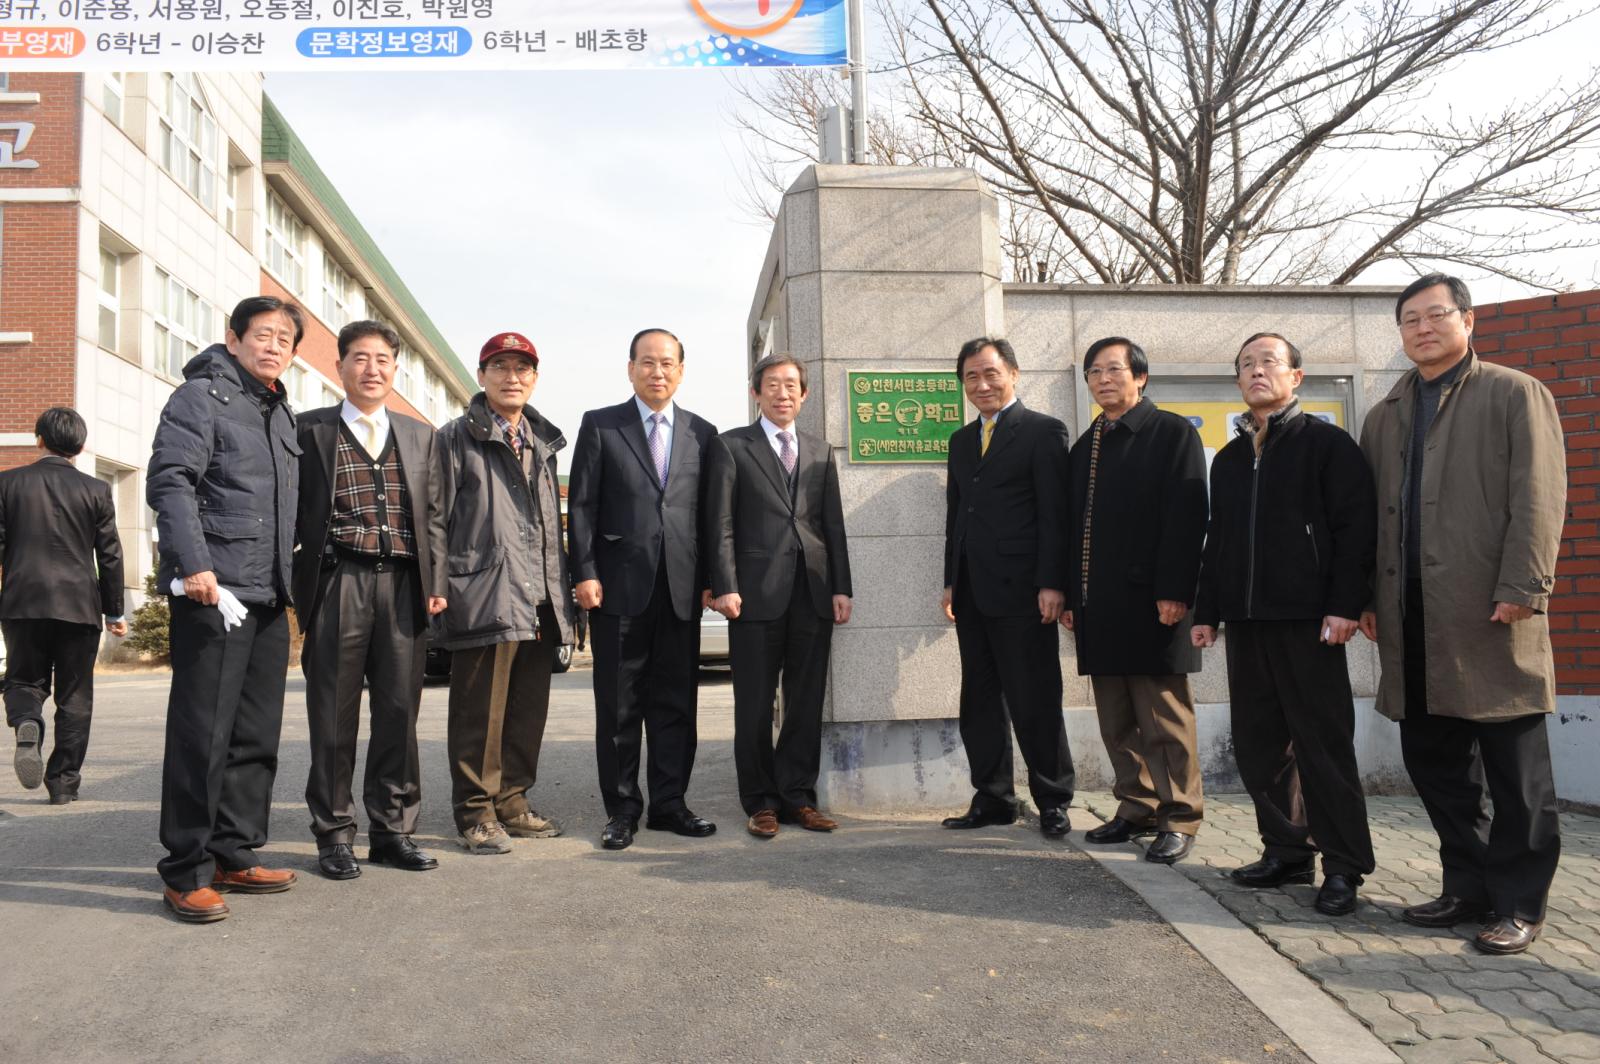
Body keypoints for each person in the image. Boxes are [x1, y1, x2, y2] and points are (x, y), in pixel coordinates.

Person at [1359, 273, 1566, 955]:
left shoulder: (1512, 392)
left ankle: (1519, 904)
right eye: (1409, 319)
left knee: (1516, 773)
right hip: (1411, 614)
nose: (1422, 328)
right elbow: (1368, 519)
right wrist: (1367, 597)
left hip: (1490, 609)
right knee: (1436, 762)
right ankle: (1466, 887)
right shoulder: (1386, 412)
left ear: (1467, 321)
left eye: (1436, 314)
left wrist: (1524, 585)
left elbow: (1539, 497)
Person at [1192, 332, 1377, 917]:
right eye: (1245, 364)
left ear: (1296, 376)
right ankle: (1285, 850)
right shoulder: (1228, 458)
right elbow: (1217, 540)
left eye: (1268, 362)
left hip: (1310, 622)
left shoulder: (1326, 444)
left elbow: (1355, 532)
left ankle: (1343, 865)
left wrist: (1346, 605)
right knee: (1259, 745)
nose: (1256, 371)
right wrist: (1207, 611)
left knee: (1322, 746)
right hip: (1248, 623)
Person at [147, 295, 304, 923]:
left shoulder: (278, 412)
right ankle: (185, 870)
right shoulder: (199, 399)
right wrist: (193, 564)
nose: (273, 346)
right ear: (233, 338)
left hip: (267, 595)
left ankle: (233, 851)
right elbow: (171, 481)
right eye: (262, 335)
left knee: (254, 734)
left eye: (284, 340)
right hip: (218, 591)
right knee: (201, 734)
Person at [293, 320, 448, 880]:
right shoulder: (309, 430)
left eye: (382, 359)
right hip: (340, 581)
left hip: (405, 586)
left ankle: (392, 831)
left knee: (399, 715)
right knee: (333, 715)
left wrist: (437, 584)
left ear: (395, 368)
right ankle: (334, 833)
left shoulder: (419, 435)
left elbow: (433, 516)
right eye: (360, 358)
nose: (372, 369)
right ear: (340, 367)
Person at [568, 328, 719, 851]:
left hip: (681, 589)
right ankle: (623, 809)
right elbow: (582, 505)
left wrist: (714, 582)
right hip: (617, 587)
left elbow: (710, 515)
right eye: (648, 363)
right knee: (619, 706)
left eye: (668, 363)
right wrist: (583, 572)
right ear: (630, 368)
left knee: (676, 704)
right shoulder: (601, 425)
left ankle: (671, 805)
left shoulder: (704, 432)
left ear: (681, 370)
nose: (658, 372)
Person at [1066, 338, 1208, 863]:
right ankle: (1135, 805)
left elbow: (1188, 515)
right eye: (1094, 372)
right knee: (1118, 716)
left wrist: (1175, 589)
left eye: (1115, 369)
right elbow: (1073, 528)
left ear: (1140, 377)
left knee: (1164, 716)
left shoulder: (1171, 433)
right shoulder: (1088, 444)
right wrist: (1071, 597)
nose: (1104, 379)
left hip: (1155, 602)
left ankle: (1180, 816)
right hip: (1100, 604)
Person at [436, 332, 576, 854]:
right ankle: (475, 811)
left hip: (539, 595)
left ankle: (513, 801)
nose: (511, 377)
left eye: (522, 368)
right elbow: (435, 520)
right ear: (481, 375)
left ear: (535, 379)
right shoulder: (455, 438)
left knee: (526, 708)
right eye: (500, 367)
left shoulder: (543, 443)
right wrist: (441, 587)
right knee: (478, 712)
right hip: (484, 592)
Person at [705, 353, 852, 839]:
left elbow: (831, 525)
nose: (782, 392)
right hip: (753, 597)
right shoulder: (732, 447)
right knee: (753, 704)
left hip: (812, 593)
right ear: (756, 393)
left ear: (804, 395)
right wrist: (724, 585)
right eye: (772, 384)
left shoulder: (819, 449)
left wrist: (841, 588)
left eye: (791, 385)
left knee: (806, 703)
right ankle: (760, 801)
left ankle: (798, 798)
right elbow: (720, 523)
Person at [940, 337, 1076, 837]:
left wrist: (1052, 582)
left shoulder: (1043, 431)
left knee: (1034, 696)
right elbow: (957, 516)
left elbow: (1054, 515)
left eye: (991, 374)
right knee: (979, 699)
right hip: (973, 593)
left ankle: (1054, 799)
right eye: (972, 377)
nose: (982, 385)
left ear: (1013, 374)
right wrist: (951, 580)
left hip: (1024, 591)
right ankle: (993, 797)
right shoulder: (960, 440)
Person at [1, 407, 125, 802]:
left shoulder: (7, 483)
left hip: (22, 600)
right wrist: (115, 610)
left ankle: (26, 721)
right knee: (75, 694)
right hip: (79, 605)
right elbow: (110, 555)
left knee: (23, 680)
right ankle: (63, 784)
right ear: (81, 446)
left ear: (39, 439)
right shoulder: (96, 490)